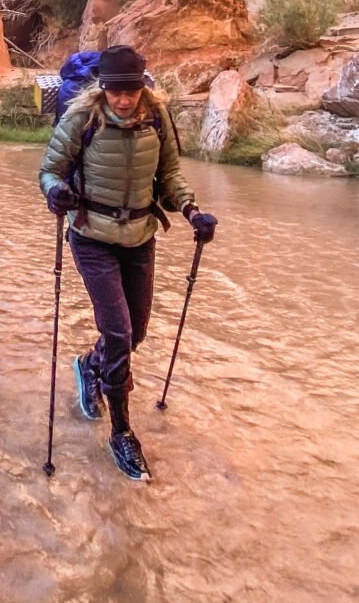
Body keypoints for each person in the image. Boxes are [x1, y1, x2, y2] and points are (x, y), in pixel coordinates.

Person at [37, 44, 217, 481]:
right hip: (92, 237)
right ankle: (121, 432)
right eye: (115, 90)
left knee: (134, 331)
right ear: (103, 87)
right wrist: (55, 192)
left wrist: (192, 210)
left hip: (139, 237)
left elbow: (170, 175)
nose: (122, 99)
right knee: (118, 331)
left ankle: (90, 366)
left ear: (142, 85)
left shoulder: (156, 116)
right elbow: (49, 170)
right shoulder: (82, 118)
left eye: (130, 90)